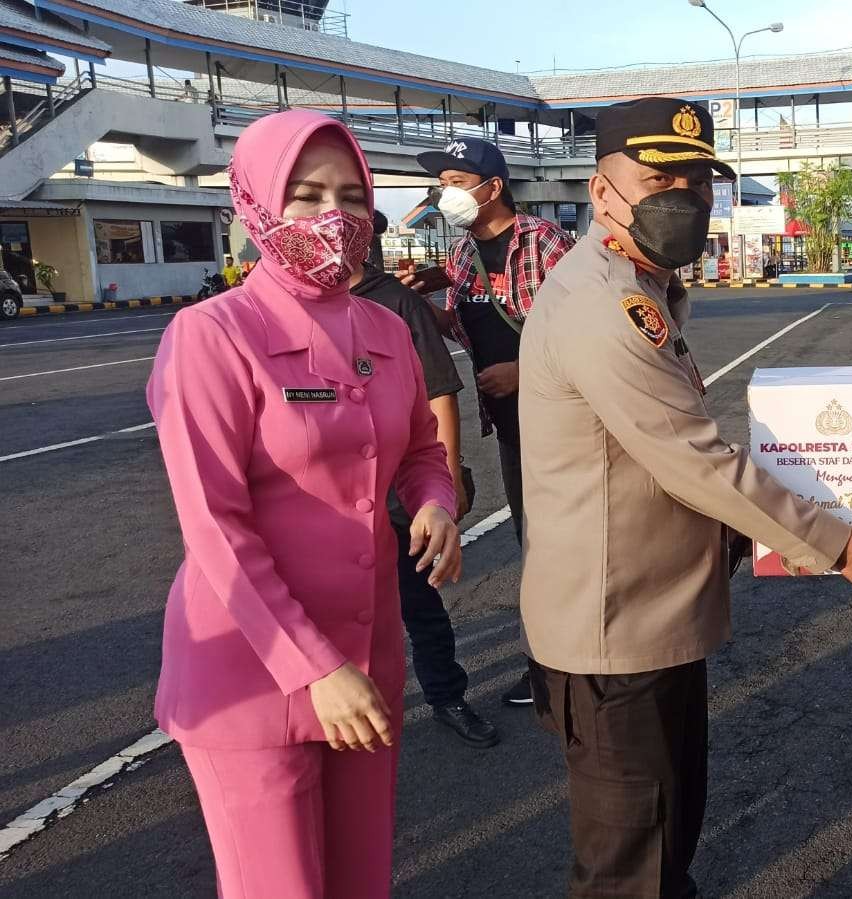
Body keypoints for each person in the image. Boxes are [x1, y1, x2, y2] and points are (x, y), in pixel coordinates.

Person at [518, 96, 852, 897]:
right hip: (615, 639)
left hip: (647, 620)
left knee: (664, 851)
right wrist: (845, 543)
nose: (685, 197)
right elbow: (696, 462)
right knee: (631, 873)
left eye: (699, 179)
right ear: (603, 192)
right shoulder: (608, 305)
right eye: (660, 177)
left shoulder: (637, 284)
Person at [145, 109, 463, 898]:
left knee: (361, 881)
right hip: (251, 675)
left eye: (353, 196)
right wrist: (313, 669)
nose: (336, 216)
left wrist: (436, 501)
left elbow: (422, 447)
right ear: (255, 205)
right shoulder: (211, 336)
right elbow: (215, 528)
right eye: (307, 194)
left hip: (365, 662)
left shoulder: (386, 330)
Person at [400, 136, 574, 706]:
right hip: (510, 429)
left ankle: (566, 670)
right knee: (535, 542)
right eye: (442, 184)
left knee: (563, 545)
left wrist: (525, 372)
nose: (443, 194)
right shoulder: (459, 256)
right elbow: (465, 327)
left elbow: (592, 332)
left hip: (563, 424)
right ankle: (551, 666)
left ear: (491, 189)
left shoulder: (544, 242)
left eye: (453, 183)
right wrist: (424, 309)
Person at [350, 211, 498, 748]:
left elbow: (439, 390)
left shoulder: (398, 304)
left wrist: (449, 476)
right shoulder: (299, 303)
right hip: (334, 499)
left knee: (419, 602)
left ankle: (446, 697)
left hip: (397, 489)